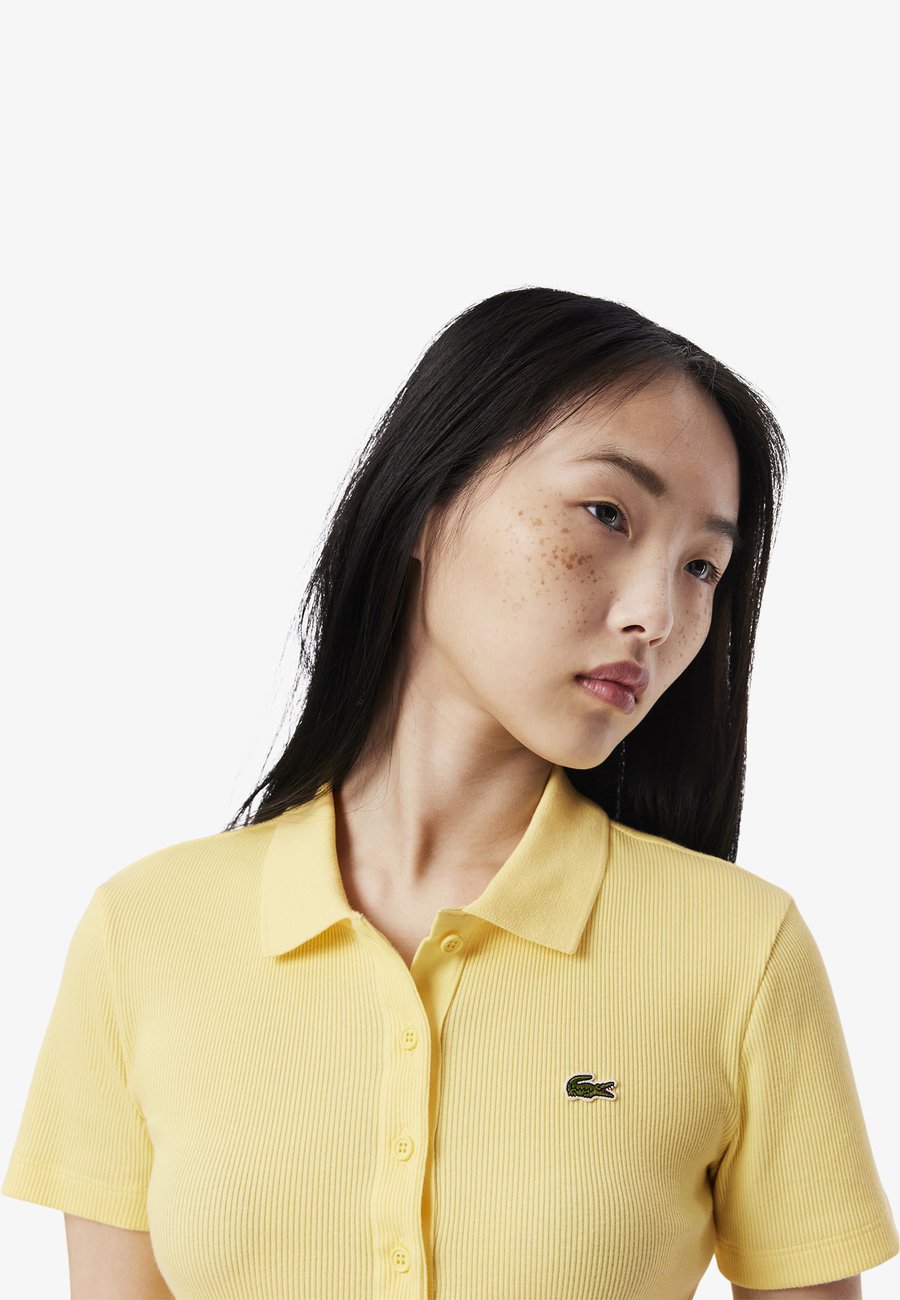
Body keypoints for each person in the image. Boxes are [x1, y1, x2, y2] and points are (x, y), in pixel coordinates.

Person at [3, 287, 897, 1300]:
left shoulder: (743, 951)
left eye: (702, 567)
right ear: (428, 501)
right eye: (607, 514)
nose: (656, 613)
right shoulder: (145, 932)